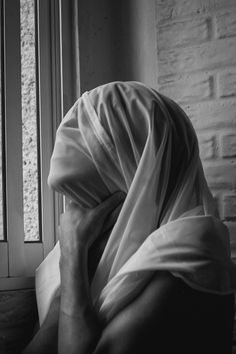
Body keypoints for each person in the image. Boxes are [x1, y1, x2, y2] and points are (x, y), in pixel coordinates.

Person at [23, 81, 236, 354]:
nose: (78, 213)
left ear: (140, 181)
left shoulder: (190, 260)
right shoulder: (106, 251)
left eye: (93, 193)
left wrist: (73, 256)